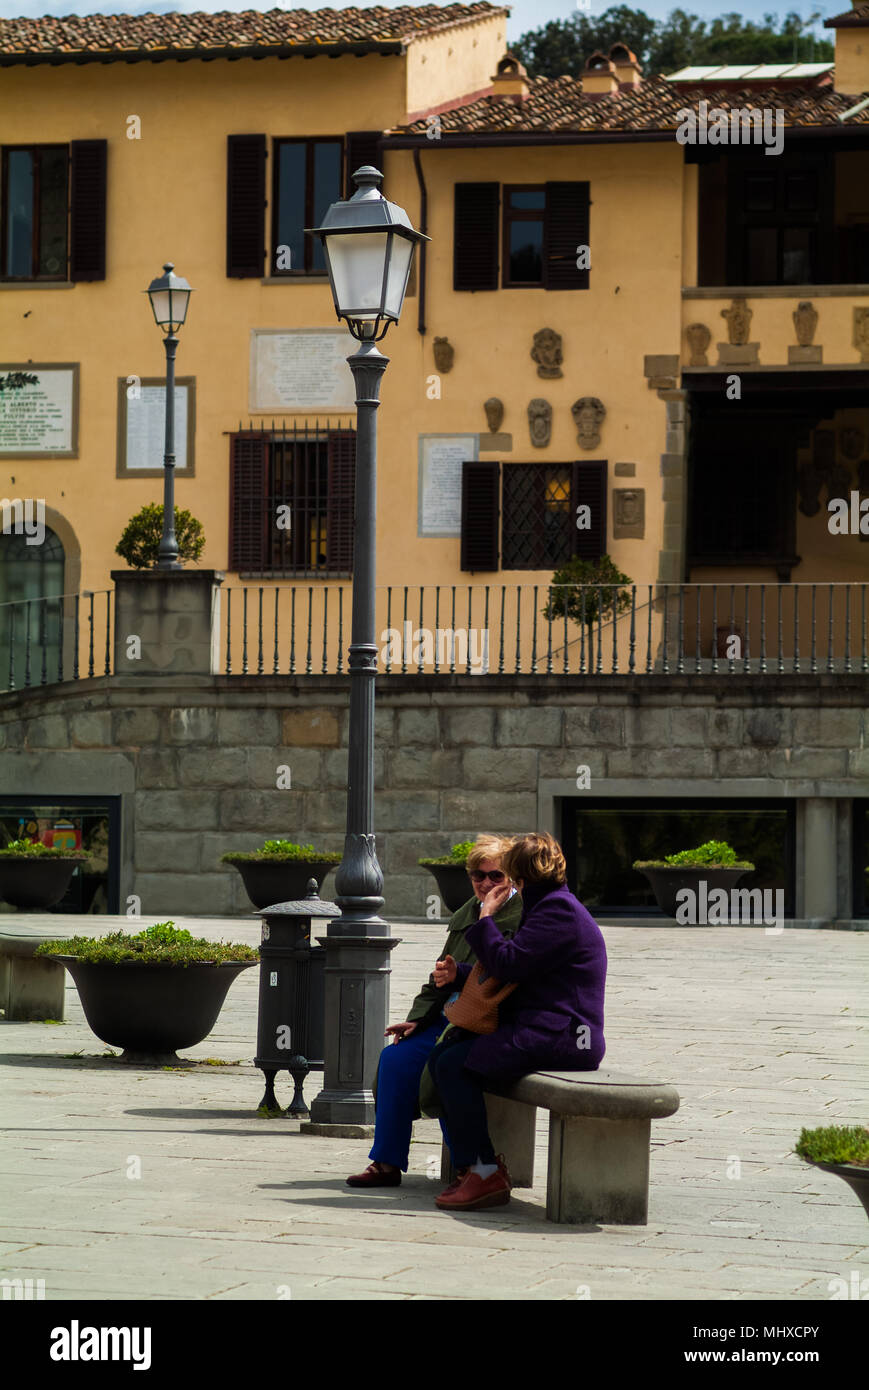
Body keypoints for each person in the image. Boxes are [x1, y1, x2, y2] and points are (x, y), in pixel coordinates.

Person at [425, 830, 607, 1213]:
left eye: (505, 873)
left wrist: (486, 917)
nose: (495, 882)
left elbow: (508, 964)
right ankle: (473, 1168)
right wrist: (460, 975)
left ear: (519, 874)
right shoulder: (549, 904)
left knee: (456, 1066)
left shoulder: (557, 910)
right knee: (446, 1056)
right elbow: (516, 965)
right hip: (545, 1029)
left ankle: (485, 1171)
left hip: (566, 1036)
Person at [345, 833, 522, 1188]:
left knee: (443, 1066)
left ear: (513, 879)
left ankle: (467, 1168)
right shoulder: (465, 913)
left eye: (495, 876)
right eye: (478, 876)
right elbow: (438, 977)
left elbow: (505, 974)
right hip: (448, 1017)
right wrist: (417, 1018)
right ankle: (386, 1161)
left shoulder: (523, 915)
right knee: (394, 1059)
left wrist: (460, 974)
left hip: (482, 1023)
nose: (486, 883)